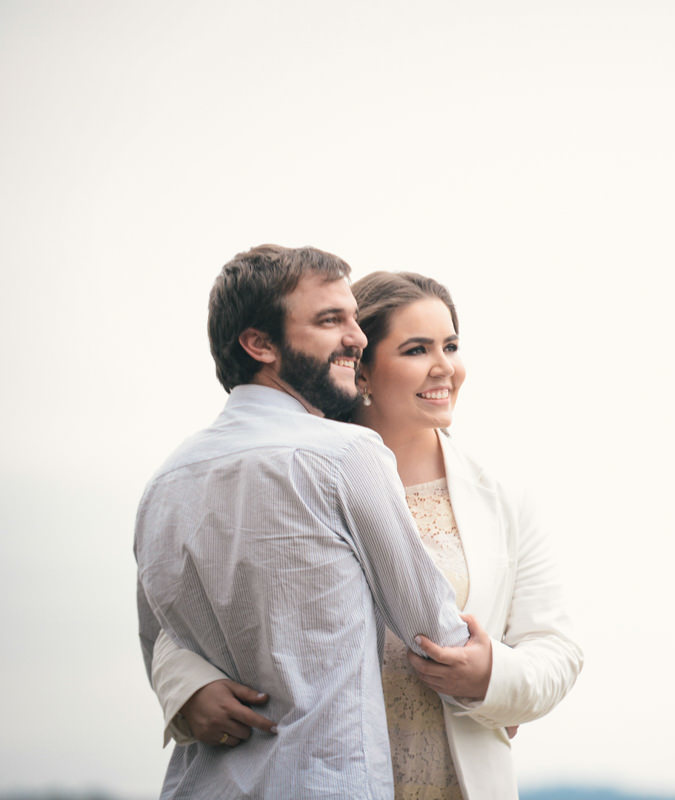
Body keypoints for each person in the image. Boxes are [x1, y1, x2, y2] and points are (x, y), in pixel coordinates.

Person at [152, 270, 584, 799]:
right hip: (300, 775)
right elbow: (184, 598)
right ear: (362, 371)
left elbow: (556, 649)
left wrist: (491, 677)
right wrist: (187, 688)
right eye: (416, 349)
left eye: (450, 345)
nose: (444, 366)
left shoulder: (502, 497)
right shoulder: (288, 470)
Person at [135, 246, 472, 799]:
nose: (357, 337)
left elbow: (161, 642)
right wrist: (492, 688)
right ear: (259, 344)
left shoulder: (166, 481)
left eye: (354, 319)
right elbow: (429, 626)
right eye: (330, 320)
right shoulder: (346, 456)